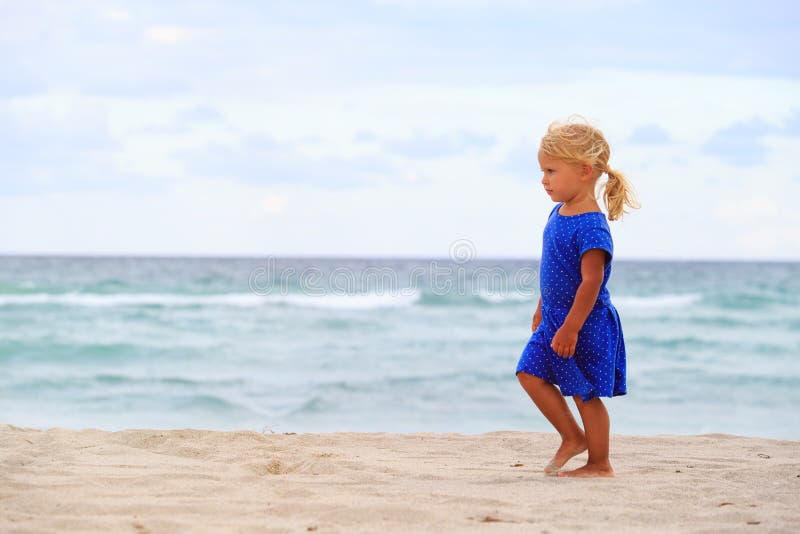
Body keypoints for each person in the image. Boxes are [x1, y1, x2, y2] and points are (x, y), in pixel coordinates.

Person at [515, 114, 640, 478]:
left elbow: (591, 281)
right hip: (555, 317)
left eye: (551, 171)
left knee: (584, 393)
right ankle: (572, 436)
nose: (544, 179)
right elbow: (554, 269)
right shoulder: (558, 212)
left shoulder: (591, 223)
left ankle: (600, 464)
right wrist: (542, 307)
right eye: (543, 171)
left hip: (583, 322)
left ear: (584, 171)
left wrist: (571, 327)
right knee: (529, 373)